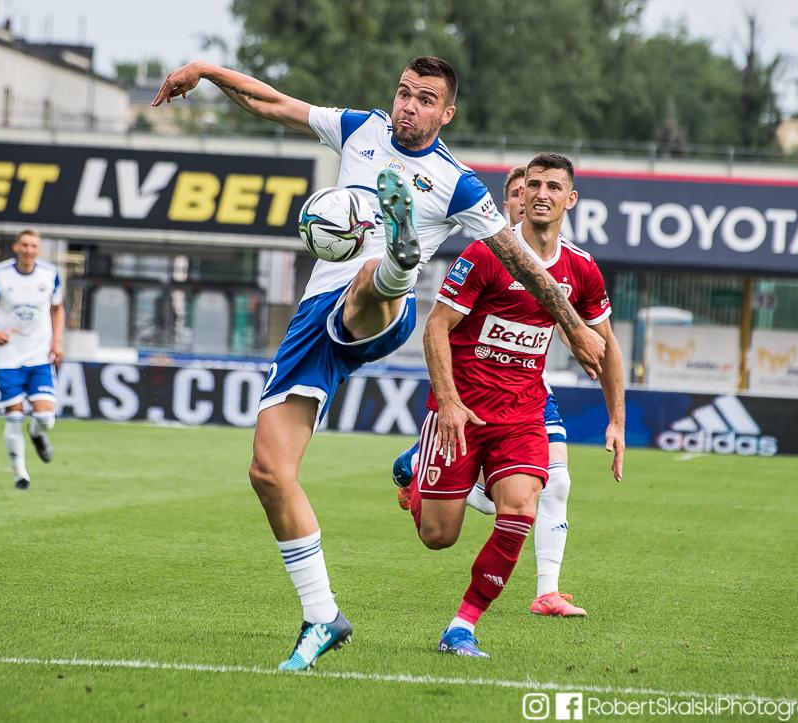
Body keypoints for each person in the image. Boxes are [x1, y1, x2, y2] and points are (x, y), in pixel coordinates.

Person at [153, 58, 606, 671]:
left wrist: (573, 325)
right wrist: (205, 71)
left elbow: (521, 259)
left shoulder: (458, 183)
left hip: (382, 311)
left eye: (425, 99)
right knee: (268, 472)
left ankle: (398, 257)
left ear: (446, 114)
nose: (408, 105)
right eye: (404, 93)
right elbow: (272, 103)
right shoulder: (359, 129)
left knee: (370, 277)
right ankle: (322, 617)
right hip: (313, 324)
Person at [400, 153, 624, 658]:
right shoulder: (485, 254)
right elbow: (435, 327)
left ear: (571, 199)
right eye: (534, 185)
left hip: (523, 414)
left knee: (523, 507)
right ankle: (416, 473)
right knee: (438, 536)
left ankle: (462, 626)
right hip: (462, 411)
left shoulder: (582, 269)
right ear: (521, 195)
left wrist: (616, 420)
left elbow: (606, 345)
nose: (541, 194)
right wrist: (448, 402)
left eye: (553, 187)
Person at [0, 229, 64, 491]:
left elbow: (58, 308)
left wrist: (57, 341)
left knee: (45, 417)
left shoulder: (50, 274)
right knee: (13, 416)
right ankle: (21, 475)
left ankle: (36, 433)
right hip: (9, 357)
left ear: (39, 249)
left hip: (39, 355)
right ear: (16, 247)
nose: (28, 250)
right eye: (24, 245)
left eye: (33, 246)